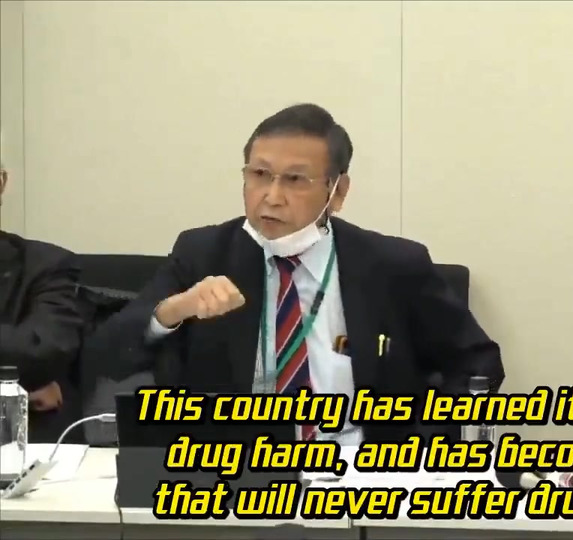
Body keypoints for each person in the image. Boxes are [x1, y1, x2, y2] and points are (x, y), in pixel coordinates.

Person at [95, 104, 504, 443]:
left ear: (337, 192)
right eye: (259, 175)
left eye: (295, 180)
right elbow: (105, 355)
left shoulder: (393, 265)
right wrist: (171, 311)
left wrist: (425, 444)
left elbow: (478, 363)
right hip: (237, 474)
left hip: (359, 471)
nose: (272, 196)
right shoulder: (203, 254)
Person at [0, 131, 85, 442]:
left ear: (0, 184)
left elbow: (44, 349)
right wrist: (11, 389)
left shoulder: (46, 264)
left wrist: (25, 378)